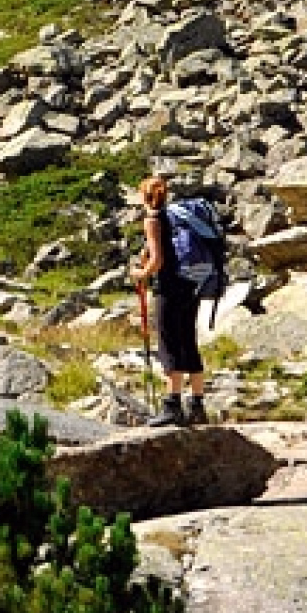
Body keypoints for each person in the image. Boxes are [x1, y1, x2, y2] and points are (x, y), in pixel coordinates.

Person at [133, 172, 209, 427]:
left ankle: (172, 405)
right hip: (191, 285)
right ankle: (197, 405)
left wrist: (140, 273)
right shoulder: (177, 218)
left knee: (169, 343)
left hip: (169, 287)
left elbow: (157, 261)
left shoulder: (152, 220)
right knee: (188, 340)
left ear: (145, 196)